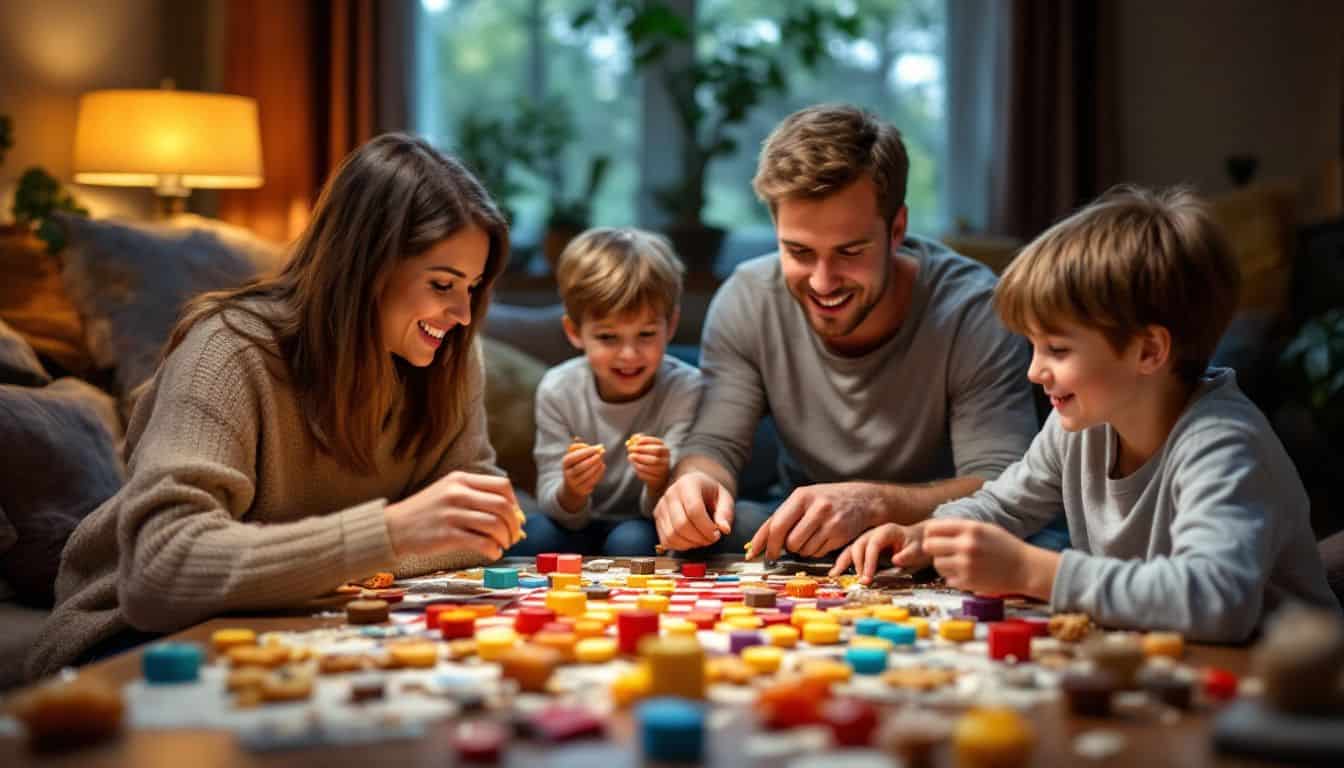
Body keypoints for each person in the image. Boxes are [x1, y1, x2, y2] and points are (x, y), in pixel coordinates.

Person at [27, 133, 523, 679]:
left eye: (472, 287)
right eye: (443, 283)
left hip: (291, 621)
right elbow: (161, 571)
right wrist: (389, 533)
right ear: (366, 266)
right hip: (133, 635)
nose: (461, 312)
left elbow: (475, 531)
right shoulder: (227, 351)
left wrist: (354, 559)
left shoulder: (449, 358)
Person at [833, 186, 1339, 642]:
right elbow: (1004, 505)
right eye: (1033, 346)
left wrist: (1037, 572)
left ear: (1148, 352)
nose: (1035, 371)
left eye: (1056, 349)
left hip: (1286, 693)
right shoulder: (1082, 423)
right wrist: (923, 535)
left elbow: (1216, 601)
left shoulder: (1223, 445)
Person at [653, 103, 1041, 557]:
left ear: (896, 230)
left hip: (934, 539)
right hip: (802, 538)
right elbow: (715, 443)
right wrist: (695, 482)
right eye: (798, 251)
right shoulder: (748, 298)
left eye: (850, 252)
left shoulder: (972, 312)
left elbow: (1003, 485)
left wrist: (874, 504)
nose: (822, 281)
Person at [510, 228, 703, 556]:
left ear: (670, 326)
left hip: (642, 523)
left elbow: (673, 504)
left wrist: (659, 480)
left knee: (632, 542)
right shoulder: (559, 388)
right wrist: (572, 489)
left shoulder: (686, 387)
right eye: (608, 338)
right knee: (531, 536)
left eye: (645, 334)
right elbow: (552, 498)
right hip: (575, 523)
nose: (629, 355)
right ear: (574, 332)